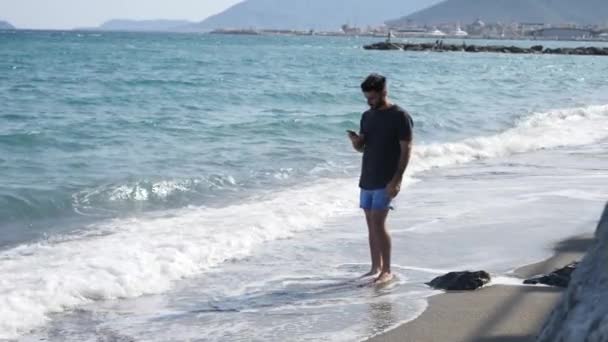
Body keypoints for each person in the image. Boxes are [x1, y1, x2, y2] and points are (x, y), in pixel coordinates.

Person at [347, 74, 413, 284]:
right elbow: (363, 148)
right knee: (370, 224)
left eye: (373, 98)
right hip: (367, 177)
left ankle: (387, 270)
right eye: (367, 98)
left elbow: (406, 150)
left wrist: (397, 179)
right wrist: (356, 142)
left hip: (386, 178)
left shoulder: (400, 116)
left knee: (378, 223)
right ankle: (375, 266)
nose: (369, 102)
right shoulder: (367, 116)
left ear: (384, 92)